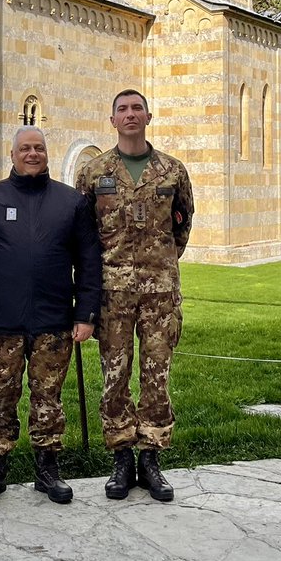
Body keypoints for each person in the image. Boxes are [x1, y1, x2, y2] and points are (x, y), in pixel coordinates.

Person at [0, 126, 102, 505]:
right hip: (1, 322)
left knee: (48, 399)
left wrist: (86, 313)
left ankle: (48, 470)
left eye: (39, 147)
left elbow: (89, 263)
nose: (32, 153)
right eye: (25, 148)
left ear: (47, 154)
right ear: (12, 154)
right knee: (0, 397)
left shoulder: (71, 203)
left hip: (54, 322)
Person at [75, 89, 193, 503]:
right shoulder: (94, 172)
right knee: (116, 377)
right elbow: (84, 235)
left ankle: (151, 457)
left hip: (161, 295)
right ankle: (122, 457)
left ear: (148, 116)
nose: (130, 115)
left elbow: (182, 226)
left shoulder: (172, 171)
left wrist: (159, 264)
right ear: (112, 120)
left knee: (157, 377)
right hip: (113, 294)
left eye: (136, 108)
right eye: (122, 109)